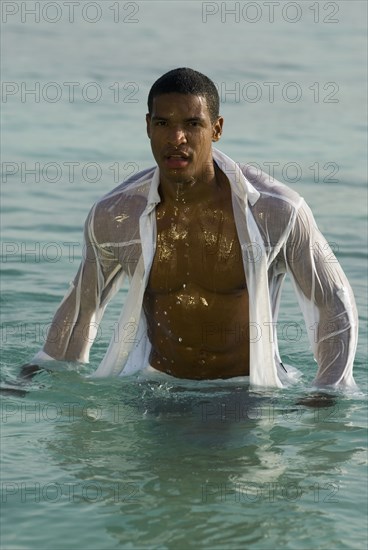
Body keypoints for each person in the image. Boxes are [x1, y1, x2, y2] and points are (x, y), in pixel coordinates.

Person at [20, 68, 358, 389]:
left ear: (217, 128)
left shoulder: (275, 211)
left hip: (244, 392)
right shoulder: (116, 216)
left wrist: (327, 390)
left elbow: (332, 301)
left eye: (193, 123)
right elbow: (82, 308)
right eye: (164, 123)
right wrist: (38, 371)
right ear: (148, 126)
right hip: (158, 388)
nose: (176, 137)